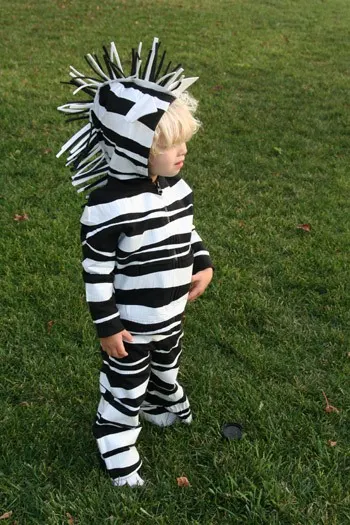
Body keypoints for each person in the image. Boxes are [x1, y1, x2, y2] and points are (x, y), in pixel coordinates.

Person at [57, 37, 213, 487]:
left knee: (168, 364)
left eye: (184, 140)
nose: (181, 151)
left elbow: (187, 231)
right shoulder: (106, 208)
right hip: (130, 325)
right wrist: (107, 326)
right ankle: (116, 440)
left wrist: (201, 262)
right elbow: (97, 272)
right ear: (130, 147)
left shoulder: (177, 188)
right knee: (125, 386)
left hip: (171, 313)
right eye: (168, 144)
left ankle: (165, 402)